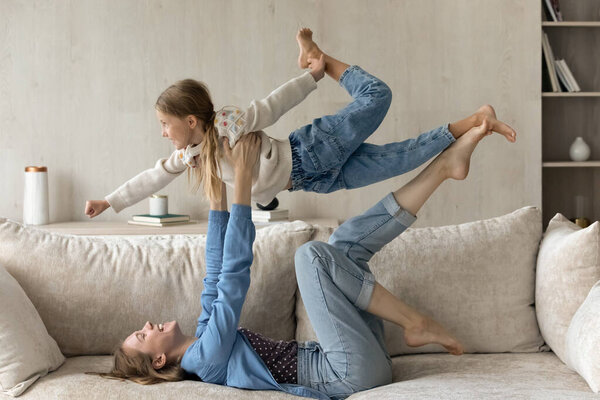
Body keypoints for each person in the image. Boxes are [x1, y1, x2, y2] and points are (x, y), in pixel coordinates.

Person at [94, 114, 505, 399]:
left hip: (360, 357)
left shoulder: (202, 340)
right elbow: (235, 276)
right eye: (143, 335)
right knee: (311, 256)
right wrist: (244, 179)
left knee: (342, 245)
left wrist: (216, 181)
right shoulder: (206, 358)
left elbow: (216, 268)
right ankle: (415, 322)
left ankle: (443, 168)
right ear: (161, 359)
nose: (147, 325)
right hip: (350, 374)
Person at [84, 28, 517, 217]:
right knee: (401, 161)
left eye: (164, 124)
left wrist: (311, 77)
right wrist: (110, 200)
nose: (162, 133)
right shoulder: (190, 156)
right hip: (315, 180)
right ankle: (477, 120)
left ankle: (321, 59)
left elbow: (273, 105)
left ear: (191, 120)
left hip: (313, 148)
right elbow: (150, 178)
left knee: (378, 95)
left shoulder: (229, 124)